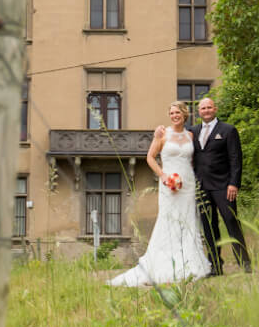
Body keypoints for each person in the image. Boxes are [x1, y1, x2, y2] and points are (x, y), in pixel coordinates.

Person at [108, 101, 212, 286]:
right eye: (171, 113)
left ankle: (190, 264)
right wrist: (163, 176)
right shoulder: (162, 134)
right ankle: (164, 266)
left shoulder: (190, 135)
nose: (174, 116)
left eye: (177, 112)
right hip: (168, 184)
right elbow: (150, 157)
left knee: (188, 221)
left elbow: (195, 160)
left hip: (187, 185)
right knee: (169, 221)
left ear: (184, 114)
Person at [191, 97, 251, 275]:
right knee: (209, 227)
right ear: (198, 112)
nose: (206, 110)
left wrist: (234, 183)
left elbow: (235, 158)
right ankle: (215, 266)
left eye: (209, 107)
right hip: (202, 187)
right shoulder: (192, 131)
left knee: (232, 222)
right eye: (203, 108)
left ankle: (244, 263)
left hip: (224, 186)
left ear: (215, 109)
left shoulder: (228, 130)